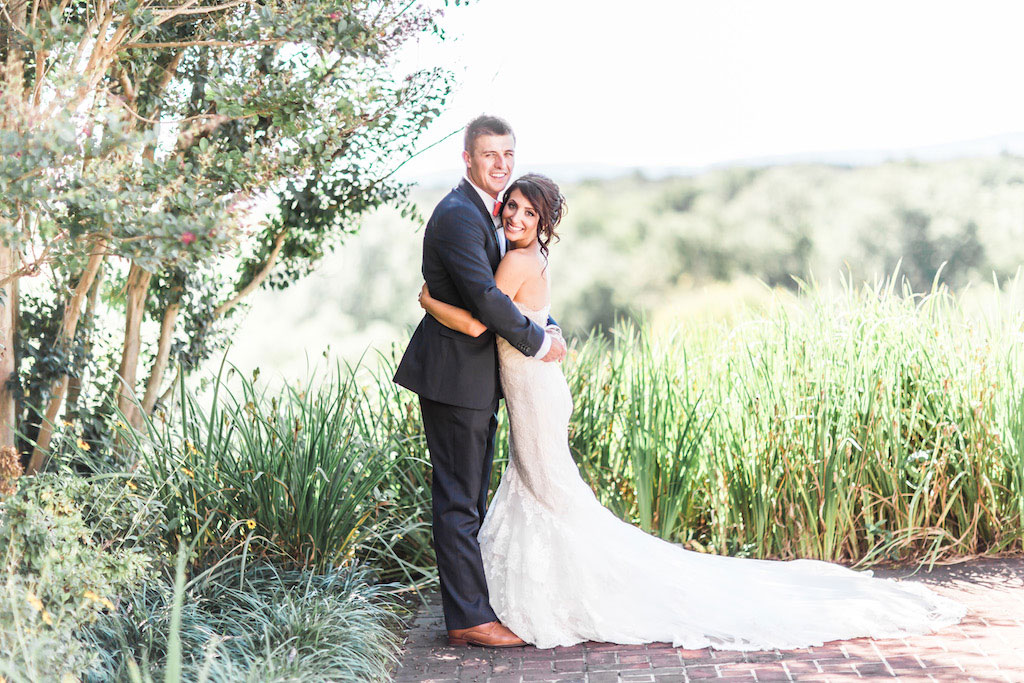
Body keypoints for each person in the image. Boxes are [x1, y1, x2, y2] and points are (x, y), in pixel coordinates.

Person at [416, 172, 967, 650]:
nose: (514, 216)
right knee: (544, 492)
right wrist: (548, 330)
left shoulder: (515, 260)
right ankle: (523, 597)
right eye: (510, 206)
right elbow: (532, 319)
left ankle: (578, 593)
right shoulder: (526, 257)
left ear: (544, 223)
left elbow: (477, 321)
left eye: (528, 211)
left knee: (549, 494)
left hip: (534, 394)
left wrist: (429, 300)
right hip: (538, 387)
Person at [393, 115, 566, 648]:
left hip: (478, 379)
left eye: (508, 154)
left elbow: (512, 293)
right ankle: (469, 619)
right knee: (457, 500)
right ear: (467, 158)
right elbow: (486, 302)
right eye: (490, 154)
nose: (501, 164)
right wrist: (539, 343)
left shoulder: (488, 213)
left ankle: (476, 605)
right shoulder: (457, 217)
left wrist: (548, 325)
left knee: (470, 495)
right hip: (453, 379)